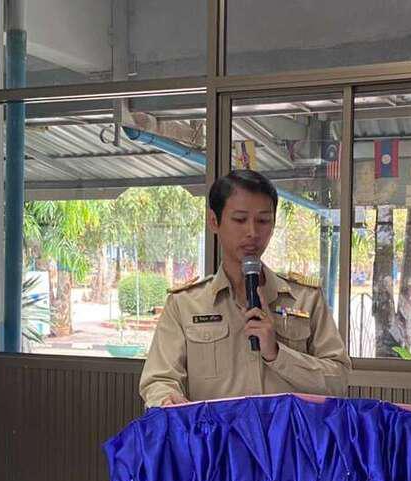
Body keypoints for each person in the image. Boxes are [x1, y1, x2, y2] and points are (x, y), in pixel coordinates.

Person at [139, 170, 351, 408]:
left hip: (287, 433)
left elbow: (339, 381)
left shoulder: (306, 299)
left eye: (263, 221)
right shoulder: (185, 304)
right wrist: (166, 399)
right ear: (214, 221)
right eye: (240, 220)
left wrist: (277, 353)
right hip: (215, 433)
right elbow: (159, 380)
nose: (252, 232)